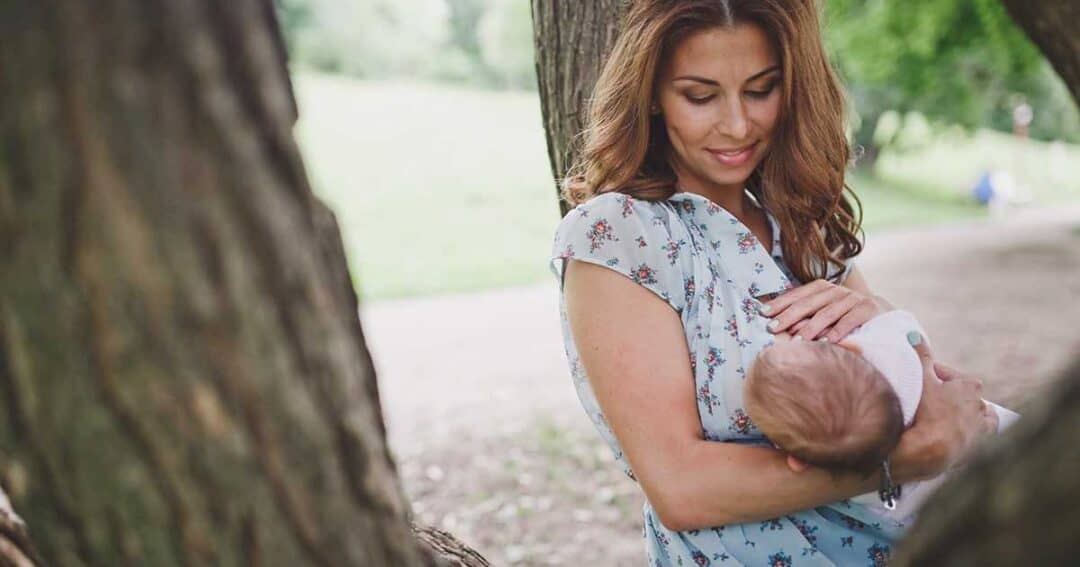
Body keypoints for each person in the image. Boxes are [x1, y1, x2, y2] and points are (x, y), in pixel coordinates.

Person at [549, 1, 998, 564]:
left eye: (761, 90)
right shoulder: (621, 233)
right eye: (700, 95)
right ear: (653, 99)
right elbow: (681, 489)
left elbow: (911, 386)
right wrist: (905, 459)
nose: (737, 124)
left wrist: (883, 317)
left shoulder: (802, 225)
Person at [744, 310, 1020, 521]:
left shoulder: (857, 494)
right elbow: (899, 323)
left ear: (797, 460)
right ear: (851, 347)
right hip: (984, 423)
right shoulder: (895, 363)